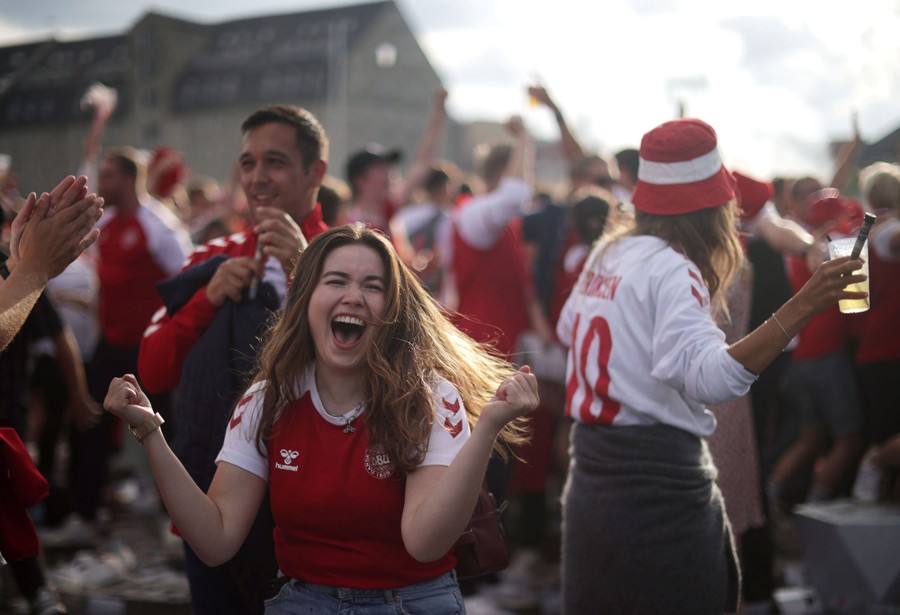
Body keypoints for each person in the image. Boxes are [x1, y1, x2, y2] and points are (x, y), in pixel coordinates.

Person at [105, 223, 539, 614]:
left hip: (411, 602)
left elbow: (425, 543)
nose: (353, 295)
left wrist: (485, 430)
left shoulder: (428, 397)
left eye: (372, 285)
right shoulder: (265, 400)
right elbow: (216, 540)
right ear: (306, 300)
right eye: (336, 281)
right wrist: (149, 431)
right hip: (302, 601)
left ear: (392, 310)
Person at [556, 117, 866, 614]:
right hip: (657, 487)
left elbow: (568, 329)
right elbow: (714, 378)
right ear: (714, 205)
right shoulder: (674, 268)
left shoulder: (610, 252)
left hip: (592, 481)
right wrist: (806, 303)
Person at [138, 104, 331, 614]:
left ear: (317, 172)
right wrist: (206, 300)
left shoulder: (354, 257)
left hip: (317, 507)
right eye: (247, 163)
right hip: (212, 495)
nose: (257, 178)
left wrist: (305, 270)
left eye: (275, 161)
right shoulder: (211, 257)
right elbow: (153, 370)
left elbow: (388, 360)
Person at [0, 175, 103, 615]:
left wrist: (25, 268)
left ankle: (39, 594)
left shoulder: (6, 266)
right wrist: (31, 270)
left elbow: (60, 339)